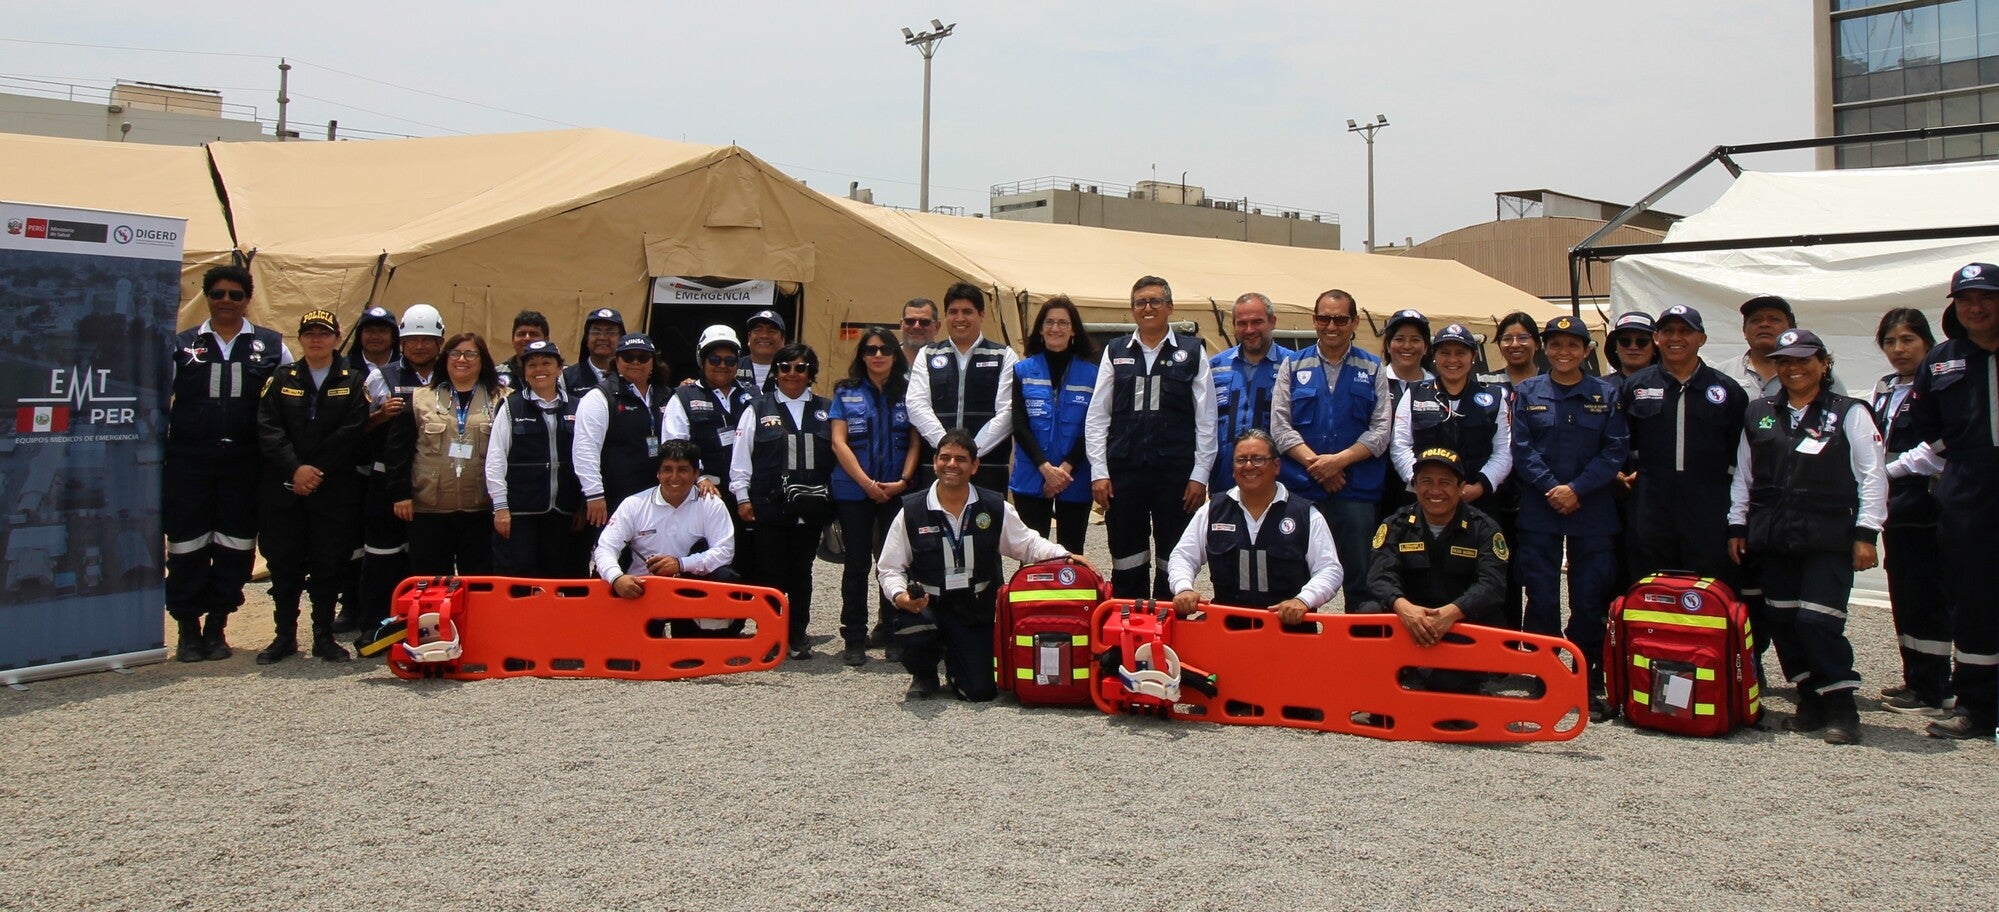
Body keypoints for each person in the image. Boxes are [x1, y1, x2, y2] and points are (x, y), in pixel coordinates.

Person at [1727, 328, 1886, 745]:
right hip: (1773, 536)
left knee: (1817, 621)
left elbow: (1872, 476)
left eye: (1803, 360)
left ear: (1824, 364)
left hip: (1827, 537)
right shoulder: (1759, 412)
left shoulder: (1850, 411)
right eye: (1785, 361)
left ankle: (1841, 706)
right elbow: (1744, 475)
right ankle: (1810, 699)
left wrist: (1867, 533)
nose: (1794, 368)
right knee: (1782, 621)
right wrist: (1737, 525)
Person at [877, 429, 1082, 700]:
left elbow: (1029, 544)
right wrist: (901, 596)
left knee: (980, 692)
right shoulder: (912, 510)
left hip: (973, 607)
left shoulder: (994, 507)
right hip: (928, 605)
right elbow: (889, 567)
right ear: (935, 461)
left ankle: (956, 667)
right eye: (945, 457)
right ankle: (924, 673)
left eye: (961, 459)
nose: (952, 465)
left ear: (974, 466)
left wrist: (1066, 556)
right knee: (913, 627)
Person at [163, 264, 290, 662]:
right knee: (186, 543)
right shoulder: (182, 345)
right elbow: (158, 401)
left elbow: (285, 401)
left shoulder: (270, 345)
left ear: (247, 299)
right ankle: (188, 627)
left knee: (235, 543)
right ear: (207, 297)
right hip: (190, 460)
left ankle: (218, 624)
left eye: (235, 295)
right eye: (218, 294)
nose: (226, 302)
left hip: (244, 460)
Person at [1510, 314, 1628, 720]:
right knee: (1541, 594)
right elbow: (1521, 449)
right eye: (1556, 345)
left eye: (1572, 346)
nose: (1564, 353)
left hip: (1591, 508)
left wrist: (1576, 489)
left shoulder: (1605, 393)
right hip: (1540, 509)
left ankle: (1585, 675)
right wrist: (1552, 489)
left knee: (1588, 595)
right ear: (1545, 349)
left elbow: (1614, 450)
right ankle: (1544, 675)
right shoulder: (1528, 392)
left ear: (1587, 351)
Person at [1907, 262, 1999, 740]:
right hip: (1970, 491)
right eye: (1966, 300)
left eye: (1986, 297)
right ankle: (1979, 708)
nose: (1976, 308)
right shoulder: (1942, 360)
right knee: (1974, 600)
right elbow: (1925, 427)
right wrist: (1964, 453)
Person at [1084, 276, 1217, 599]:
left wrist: (1200, 476)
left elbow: (1207, 421)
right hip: (1124, 475)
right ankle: (1128, 634)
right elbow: (1097, 416)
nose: (1148, 308)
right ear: (1131, 310)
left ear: (1169, 308)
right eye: (1140, 302)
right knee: (1127, 559)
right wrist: (1099, 472)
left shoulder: (1192, 351)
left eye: (1155, 301)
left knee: (1173, 560)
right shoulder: (1115, 351)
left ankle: (1167, 637)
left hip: (1176, 476)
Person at [253, 309, 369, 663]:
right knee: (285, 565)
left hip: (332, 488)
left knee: (327, 564)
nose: (316, 339)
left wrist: (316, 470)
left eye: (323, 332)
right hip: (287, 488)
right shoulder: (282, 376)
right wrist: (296, 469)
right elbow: (268, 429)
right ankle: (284, 636)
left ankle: (323, 636)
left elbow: (352, 432)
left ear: (336, 338)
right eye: (309, 333)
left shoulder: (352, 379)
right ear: (300, 338)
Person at [1271, 288, 1393, 610]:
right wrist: (1318, 466)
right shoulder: (1293, 366)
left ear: (1354, 322)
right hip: (1304, 492)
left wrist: (1338, 462)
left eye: (1340, 319)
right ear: (1314, 320)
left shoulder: (1373, 368)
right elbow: (1280, 428)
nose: (1331, 326)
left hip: (1357, 494)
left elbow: (1381, 431)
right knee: (1296, 582)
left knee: (1362, 584)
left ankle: (1359, 654)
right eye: (1324, 318)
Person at [1617, 305, 1748, 584]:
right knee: (1650, 581)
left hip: (1708, 505)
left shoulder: (1727, 391)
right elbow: (1619, 441)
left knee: (1706, 584)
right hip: (1651, 504)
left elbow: (1740, 453)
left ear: (1701, 338)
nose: (1676, 337)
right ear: (1656, 338)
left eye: (1685, 331)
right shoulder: (1635, 387)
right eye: (1668, 331)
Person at [1363, 447, 1512, 686]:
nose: (1434, 491)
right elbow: (1379, 576)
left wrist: (1452, 613)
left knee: (1448, 686)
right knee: (1368, 614)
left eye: (1445, 482)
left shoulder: (1484, 528)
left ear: (1461, 487)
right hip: (1409, 621)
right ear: (1415, 485)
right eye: (1426, 481)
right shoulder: (1396, 524)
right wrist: (1404, 609)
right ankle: (1379, 690)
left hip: (1460, 622)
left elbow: (1492, 584)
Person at [1167, 429, 1340, 622]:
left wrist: (1303, 600)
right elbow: (1183, 556)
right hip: (1227, 629)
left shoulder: (1305, 514)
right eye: (1241, 460)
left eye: (1258, 459)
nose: (1248, 466)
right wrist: (1183, 588)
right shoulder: (1213, 510)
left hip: (1287, 631)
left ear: (1276, 466)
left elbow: (1329, 569)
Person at [730, 342, 833, 660]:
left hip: (812, 504)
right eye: (785, 367)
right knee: (769, 571)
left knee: (802, 571)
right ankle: (770, 633)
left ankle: (797, 633)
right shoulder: (757, 408)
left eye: (800, 367)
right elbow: (741, 457)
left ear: (810, 372)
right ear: (776, 371)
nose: (792, 373)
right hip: (768, 502)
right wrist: (742, 496)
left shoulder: (827, 409)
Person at [1870, 307, 1951, 717]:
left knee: (1929, 593)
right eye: (1890, 341)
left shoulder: (1938, 381)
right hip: (1892, 506)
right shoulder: (1885, 387)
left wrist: (1889, 471)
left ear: (1927, 342)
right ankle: (1916, 678)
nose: (1898, 349)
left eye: (1907, 340)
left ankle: (1936, 686)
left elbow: (1939, 445)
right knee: (1904, 592)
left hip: (1926, 501)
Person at [351, 302, 444, 640]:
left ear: (440, 342)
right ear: (401, 342)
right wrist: (379, 417)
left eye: (427, 339)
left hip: (432, 481)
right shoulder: (382, 376)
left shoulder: (449, 376)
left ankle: (424, 629)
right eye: (412, 339)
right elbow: (355, 428)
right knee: (381, 556)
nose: (420, 346)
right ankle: (375, 629)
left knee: (423, 560)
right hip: (387, 480)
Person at [829, 327, 920, 666]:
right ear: (862, 356)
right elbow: (839, 442)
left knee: (893, 562)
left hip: (896, 491)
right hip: (854, 491)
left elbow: (914, 441)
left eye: (884, 350)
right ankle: (854, 636)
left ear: (895, 355)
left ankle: (894, 632)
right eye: (870, 350)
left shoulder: (908, 393)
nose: (878, 355)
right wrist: (867, 483)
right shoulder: (846, 392)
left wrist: (903, 481)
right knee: (855, 565)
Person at [387, 332, 504, 577]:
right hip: (429, 510)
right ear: (445, 358)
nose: (462, 359)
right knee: (430, 582)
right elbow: (399, 451)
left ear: (482, 360)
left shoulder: (502, 399)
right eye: (455, 353)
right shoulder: (421, 399)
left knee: (479, 582)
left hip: (481, 511)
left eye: (471, 354)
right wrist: (401, 494)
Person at [597, 442, 741, 637]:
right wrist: (617, 578)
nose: (674, 478)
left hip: (689, 588)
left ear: (696, 473)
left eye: (682, 470)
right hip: (640, 590)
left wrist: (680, 564)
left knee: (725, 576)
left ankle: (706, 635)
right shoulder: (634, 504)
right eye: (667, 470)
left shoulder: (711, 504)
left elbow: (724, 552)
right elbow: (605, 548)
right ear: (658, 473)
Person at [1390, 322, 1511, 543]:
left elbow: (1504, 451)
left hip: (1477, 500)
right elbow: (1400, 445)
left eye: (1461, 353)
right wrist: (1421, 485)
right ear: (1434, 357)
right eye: (1445, 353)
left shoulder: (1494, 397)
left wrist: (1480, 486)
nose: (1452, 360)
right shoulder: (1415, 393)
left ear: (1473, 356)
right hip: (1424, 501)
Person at [1006, 296, 1097, 553]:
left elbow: (1093, 426)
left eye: (1062, 323)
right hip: (1032, 473)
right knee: (1032, 552)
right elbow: (1019, 424)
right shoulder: (1023, 370)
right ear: (1040, 328)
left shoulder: (1093, 374)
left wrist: (1065, 469)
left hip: (1075, 475)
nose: (1055, 328)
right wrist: (1046, 469)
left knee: (1072, 552)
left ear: (1074, 329)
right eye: (1049, 322)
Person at [486, 339, 583, 579]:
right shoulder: (510, 406)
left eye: (547, 363)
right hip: (520, 514)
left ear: (560, 368)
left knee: (557, 578)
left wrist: (582, 503)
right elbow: (495, 459)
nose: (540, 370)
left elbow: (587, 458)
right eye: (532, 365)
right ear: (524, 372)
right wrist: (500, 507)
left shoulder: (579, 407)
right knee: (518, 577)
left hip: (563, 512)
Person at [908, 283, 1018, 491]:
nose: (960, 318)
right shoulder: (928, 355)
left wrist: (971, 451)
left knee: (986, 522)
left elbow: (1008, 411)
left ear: (981, 315)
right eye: (953, 312)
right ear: (945, 317)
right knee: (934, 523)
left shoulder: (1003, 355)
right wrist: (947, 451)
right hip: (937, 468)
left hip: (987, 467)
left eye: (967, 311)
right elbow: (916, 405)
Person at [576, 333, 673, 566]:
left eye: (643, 357)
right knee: (612, 559)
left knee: (652, 560)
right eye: (629, 357)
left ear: (653, 362)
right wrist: (594, 495)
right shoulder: (599, 397)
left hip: (656, 495)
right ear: (617, 360)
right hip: (614, 495)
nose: (636, 362)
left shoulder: (667, 395)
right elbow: (585, 449)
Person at [1209, 292, 1295, 493]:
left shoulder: (1293, 365)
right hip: (1225, 478)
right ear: (1233, 325)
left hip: (1281, 481)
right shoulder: (1215, 366)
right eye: (1242, 323)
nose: (1249, 330)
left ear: (1273, 321)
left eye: (1257, 322)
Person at [1378, 308, 1433, 518]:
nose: (1407, 346)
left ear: (1426, 347)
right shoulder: (1374, 382)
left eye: (1415, 340)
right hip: (1380, 488)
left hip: (1425, 488)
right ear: (1388, 345)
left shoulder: (1439, 389)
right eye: (1400, 339)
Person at [1729, 295, 1795, 399]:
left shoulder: (1806, 373)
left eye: (1774, 319)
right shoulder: (1723, 373)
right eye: (1756, 320)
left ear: (1791, 329)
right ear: (1744, 331)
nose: (1764, 324)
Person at [562, 307, 625, 399]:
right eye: (596, 332)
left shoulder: (628, 375)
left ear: (621, 338)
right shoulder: (567, 377)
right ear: (586, 338)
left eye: (610, 332)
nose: (602, 337)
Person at [1481, 312, 1543, 388]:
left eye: (1523, 337)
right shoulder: (1484, 382)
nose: (1515, 345)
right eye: (1507, 338)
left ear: (1537, 344)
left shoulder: (1551, 383)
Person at [495, 310, 549, 391]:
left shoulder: (561, 375)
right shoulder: (497, 374)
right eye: (521, 334)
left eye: (534, 334)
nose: (527, 338)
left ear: (546, 341)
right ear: (512, 340)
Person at [739, 309, 788, 396]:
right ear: (749, 337)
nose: (764, 335)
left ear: (783, 339)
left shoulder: (793, 370)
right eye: (758, 330)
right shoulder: (732, 367)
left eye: (771, 331)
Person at [1605, 311, 1657, 392]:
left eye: (1642, 341)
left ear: (1654, 347)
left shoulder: (1670, 387)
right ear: (1615, 346)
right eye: (1625, 341)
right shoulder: (1598, 388)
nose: (1633, 347)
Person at [900, 297, 940, 365]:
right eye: (910, 321)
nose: (916, 326)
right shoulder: (885, 360)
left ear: (936, 327)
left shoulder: (948, 363)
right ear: (901, 325)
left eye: (924, 322)